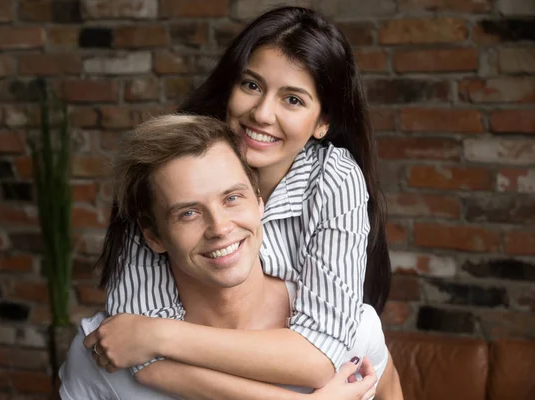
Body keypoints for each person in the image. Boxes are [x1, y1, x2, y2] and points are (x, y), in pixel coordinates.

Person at [89, 5, 398, 397]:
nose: (262, 113)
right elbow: (141, 358)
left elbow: (318, 357)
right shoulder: (170, 171)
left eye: (293, 100)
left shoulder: (333, 179)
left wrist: (158, 334)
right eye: (251, 85)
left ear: (323, 122)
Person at [60, 115, 390, 399]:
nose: (219, 228)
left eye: (232, 198)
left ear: (260, 202)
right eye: (188, 213)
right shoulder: (104, 354)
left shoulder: (355, 333)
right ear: (153, 235)